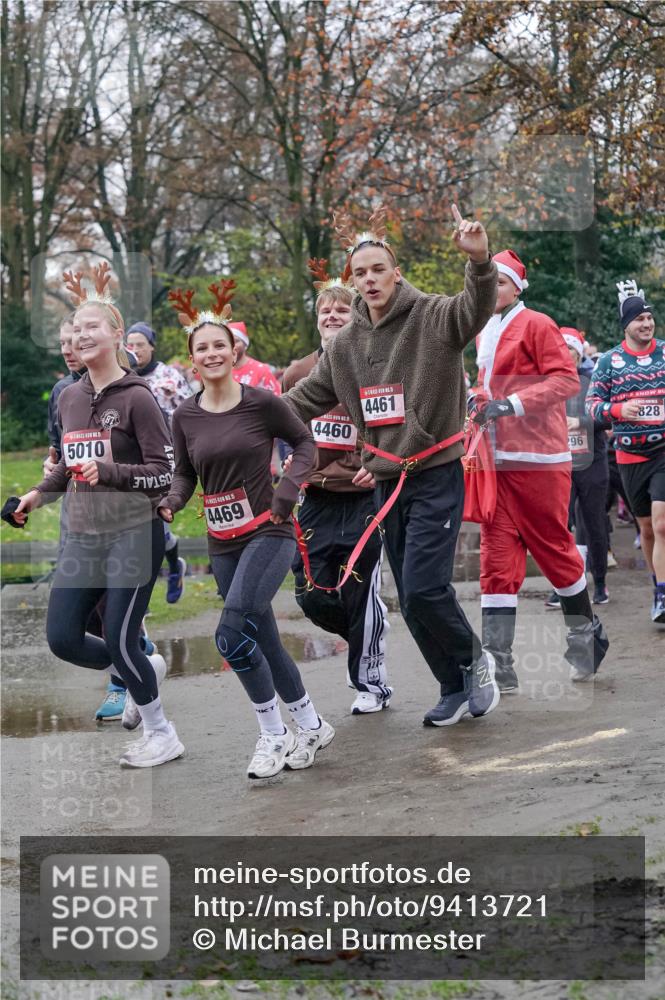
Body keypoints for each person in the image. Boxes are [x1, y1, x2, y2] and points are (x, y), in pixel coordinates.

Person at [282, 203, 500, 728]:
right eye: (360, 273)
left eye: (379, 269)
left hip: (436, 473)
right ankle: (451, 686)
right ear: (352, 281)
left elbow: (475, 308)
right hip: (385, 483)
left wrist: (479, 262)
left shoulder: (431, 316)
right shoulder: (347, 345)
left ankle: (476, 663)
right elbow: (304, 399)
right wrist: (238, 419)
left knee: (426, 588)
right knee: (410, 594)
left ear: (395, 273)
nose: (370, 279)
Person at [10, 264, 183, 767]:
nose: (80, 336)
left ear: (115, 336)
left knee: (118, 637)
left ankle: (161, 733)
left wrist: (108, 471)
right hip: (84, 537)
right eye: (74, 329)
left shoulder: (138, 399)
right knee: (63, 638)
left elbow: (163, 473)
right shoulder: (67, 397)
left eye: (91, 327)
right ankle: (144, 666)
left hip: (133, 532)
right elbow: (66, 468)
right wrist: (34, 497)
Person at [159, 279, 334, 779]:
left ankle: (272, 734)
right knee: (263, 638)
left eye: (220, 345)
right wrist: (172, 501)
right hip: (222, 541)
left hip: (269, 530)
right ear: (192, 359)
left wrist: (290, 489)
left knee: (231, 634)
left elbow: (306, 446)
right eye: (202, 348)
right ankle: (312, 725)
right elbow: (186, 474)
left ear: (234, 352)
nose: (212, 353)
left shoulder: (260, 402)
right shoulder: (186, 414)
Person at [470, 250, 609, 689]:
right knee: (495, 559)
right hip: (497, 461)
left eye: (501, 282)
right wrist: (477, 401)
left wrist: (509, 404)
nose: (493, 289)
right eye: (487, 281)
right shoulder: (482, 330)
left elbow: (566, 381)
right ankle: (500, 663)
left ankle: (587, 639)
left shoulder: (537, 323)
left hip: (540, 461)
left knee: (553, 550)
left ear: (517, 287)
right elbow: (485, 385)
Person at [282, 259, 392, 715]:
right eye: (325, 311)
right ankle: (367, 634)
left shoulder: (375, 363)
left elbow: (392, 424)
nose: (332, 317)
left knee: (360, 589)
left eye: (341, 311)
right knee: (309, 592)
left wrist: (379, 463)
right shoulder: (297, 373)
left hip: (365, 495)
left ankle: (370, 683)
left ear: (357, 317)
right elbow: (283, 427)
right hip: (316, 497)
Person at [587, 280, 665, 623]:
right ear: (626, 325)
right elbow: (591, 407)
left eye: (649, 318)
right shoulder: (609, 362)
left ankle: (663, 595)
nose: (646, 324)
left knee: (662, 526)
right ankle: (656, 585)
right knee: (647, 528)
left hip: (663, 451)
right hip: (630, 457)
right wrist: (619, 411)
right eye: (639, 319)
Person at [126, 321, 192, 603]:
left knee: (155, 518)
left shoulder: (168, 376)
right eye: (130, 344)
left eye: (141, 343)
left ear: (152, 346)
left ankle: (172, 569)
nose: (135, 349)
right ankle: (172, 566)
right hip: (129, 460)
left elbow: (191, 408)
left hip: (163, 459)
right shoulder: (122, 375)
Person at [544, 328, 610, 608]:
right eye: (562, 349)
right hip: (560, 464)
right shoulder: (547, 384)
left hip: (592, 463)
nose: (566, 354)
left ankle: (601, 584)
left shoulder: (591, 380)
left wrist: (580, 422)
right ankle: (564, 586)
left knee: (594, 523)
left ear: (578, 353)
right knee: (561, 526)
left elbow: (607, 418)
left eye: (571, 350)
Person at [229, 321, 281, 394]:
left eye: (236, 341)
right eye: (228, 342)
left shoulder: (261, 370)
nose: (232, 346)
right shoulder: (222, 371)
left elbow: (277, 400)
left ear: (245, 344)